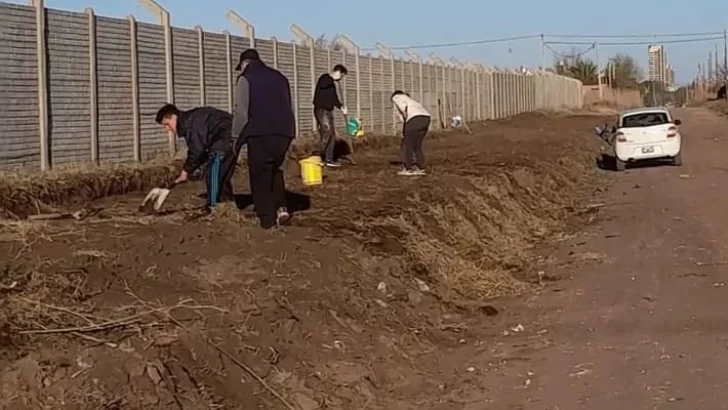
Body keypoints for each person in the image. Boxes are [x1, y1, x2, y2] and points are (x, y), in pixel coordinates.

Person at [232, 48, 296, 229]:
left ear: (245, 63)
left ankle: (267, 221)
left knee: (260, 176)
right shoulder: (281, 77)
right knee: (276, 171)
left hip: (260, 133)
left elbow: (241, 113)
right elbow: (288, 106)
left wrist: (235, 137)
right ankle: (281, 208)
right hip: (285, 132)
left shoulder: (246, 78)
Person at [155, 104, 237, 208]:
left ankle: (213, 207)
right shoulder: (190, 121)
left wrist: (185, 171)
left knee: (212, 171)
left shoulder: (191, 123)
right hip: (229, 137)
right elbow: (201, 152)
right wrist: (188, 171)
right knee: (221, 174)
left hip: (225, 137)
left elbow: (197, 150)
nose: (167, 129)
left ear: (173, 117)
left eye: (167, 124)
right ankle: (227, 204)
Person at [313, 64, 348, 167]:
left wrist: (341, 107)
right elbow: (324, 84)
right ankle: (317, 156)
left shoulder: (332, 85)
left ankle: (329, 159)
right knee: (327, 132)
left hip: (329, 111)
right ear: (338, 72)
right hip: (321, 110)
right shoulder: (325, 78)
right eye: (341, 76)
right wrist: (333, 78)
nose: (341, 79)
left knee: (332, 135)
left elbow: (334, 98)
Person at [391, 90, 431, 176]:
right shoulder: (410, 100)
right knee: (417, 146)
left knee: (408, 144)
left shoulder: (396, 97)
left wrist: (404, 131)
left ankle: (408, 168)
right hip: (426, 118)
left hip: (414, 119)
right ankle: (421, 167)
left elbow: (403, 111)